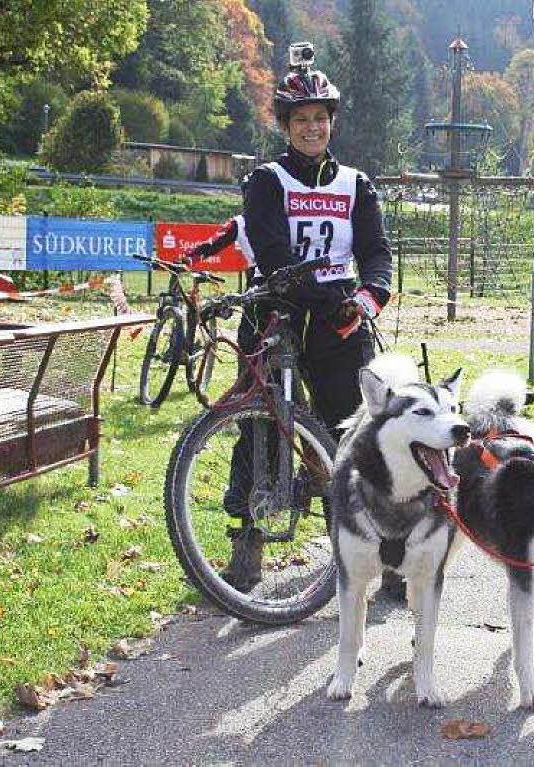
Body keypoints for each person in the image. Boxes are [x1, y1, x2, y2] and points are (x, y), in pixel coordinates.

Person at [185, 44, 392, 591]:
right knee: (257, 423)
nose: (311, 128)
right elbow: (275, 255)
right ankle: (246, 545)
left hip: (338, 322)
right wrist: (327, 294)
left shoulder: (356, 183)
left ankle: (371, 548)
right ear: (286, 125)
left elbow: (377, 254)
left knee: (350, 427)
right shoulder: (266, 181)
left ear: (331, 122)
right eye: (301, 120)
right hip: (275, 310)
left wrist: (368, 298)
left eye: (320, 119)